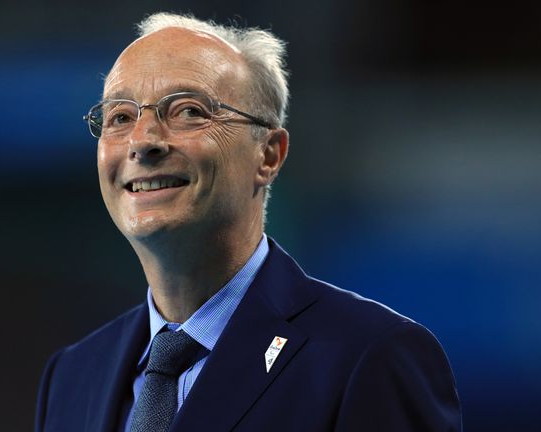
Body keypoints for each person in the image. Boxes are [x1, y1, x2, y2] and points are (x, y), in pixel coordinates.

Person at [35, 12, 462, 432]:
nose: (144, 141)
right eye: (120, 117)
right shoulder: (73, 375)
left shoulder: (370, 354)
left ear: (269, 154)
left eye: (188, 111)